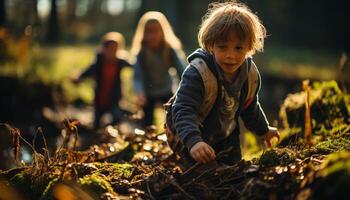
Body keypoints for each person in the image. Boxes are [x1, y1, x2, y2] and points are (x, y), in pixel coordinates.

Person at [171, 1, 280, 168]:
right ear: (211, 45)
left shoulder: (249, 75)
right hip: (193, 135)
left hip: (227, 137)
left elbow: (250, 106)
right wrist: (193, 141)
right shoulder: (198, 73)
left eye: (238, 48)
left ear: (249, 47)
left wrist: (263, 130)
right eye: (223, 47)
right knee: (200, 177)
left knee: (234, 173)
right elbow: (183, 109)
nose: (231, 55)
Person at [131, 11, 186, 127]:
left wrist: (185, 91)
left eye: (155, 31)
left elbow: (182, 72)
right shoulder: (141, 52)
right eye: (148, 32)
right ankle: (147, 138)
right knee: (147, 122)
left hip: (166, 89)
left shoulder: (170, 49)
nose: (152, 36)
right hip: (148, 92)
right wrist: (140, 92)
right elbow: (137, 76)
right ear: (143, 33)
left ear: (163, 32)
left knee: (173, 117)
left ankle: (173, 137)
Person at [73, 32, 130, 129]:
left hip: (114, 98)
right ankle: (96, 138)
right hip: (100, 98)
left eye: (115, 49)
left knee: (116, 118)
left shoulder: (120, 62)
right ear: (104, 48)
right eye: (109, 49)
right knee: (97, 122)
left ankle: (113, 138)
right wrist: (78, 78)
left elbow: (134, 66)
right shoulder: (99, 62)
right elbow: (88, 71)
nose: (112, 52)